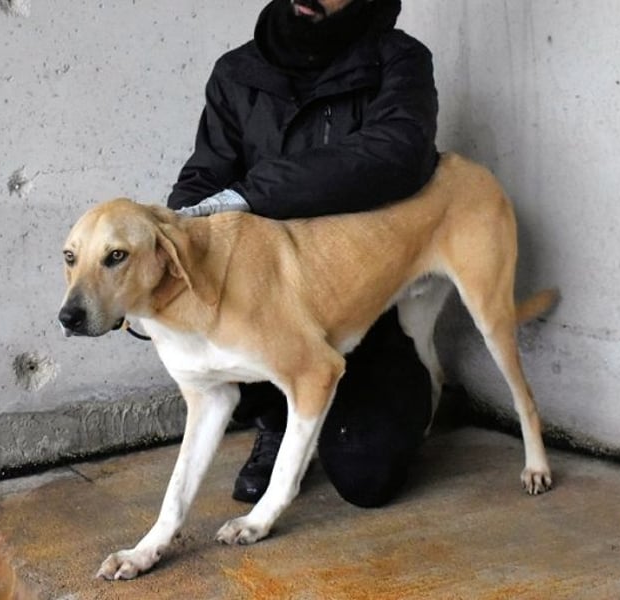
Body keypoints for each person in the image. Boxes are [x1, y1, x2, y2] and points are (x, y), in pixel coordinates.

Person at [166, 0, 437, 508]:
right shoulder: (236, 72)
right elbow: (205, 174)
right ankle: (275, 415)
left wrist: (253, 195)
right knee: (178, 321)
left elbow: (396, 153)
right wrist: (177, 232)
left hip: (358, 308)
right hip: (262, 306)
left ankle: (403, 392)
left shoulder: (399, 60)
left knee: (369, 476)